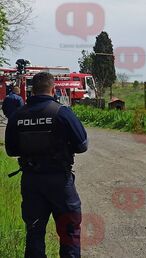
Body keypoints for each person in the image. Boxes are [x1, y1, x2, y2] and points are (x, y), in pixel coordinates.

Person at [5, 72, 88, 258]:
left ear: (32, 90)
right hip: (60, 181)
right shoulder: (62, 113)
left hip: (31, 182)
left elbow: (11, 150)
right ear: (53, 89)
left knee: (34, 233)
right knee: (69, 233)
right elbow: (82, 145)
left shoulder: (17, 116)